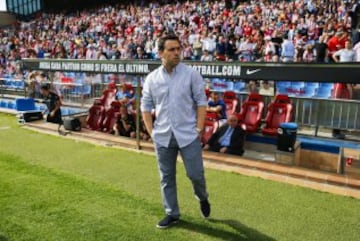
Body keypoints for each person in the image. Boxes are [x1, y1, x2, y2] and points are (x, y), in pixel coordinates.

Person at [141, 34, 210, 229]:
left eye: (178, 49)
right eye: (171, 50)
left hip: (188, 135)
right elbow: (145, 106)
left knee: (196, 174)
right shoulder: (152, 79)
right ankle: (172, 213)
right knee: (166, 178)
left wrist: (199, 128)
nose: (177, 53)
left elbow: (201, 101)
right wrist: (151, 132)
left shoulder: (191, 74)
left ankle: (202, 197)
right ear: (160, 53)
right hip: (162, 136)